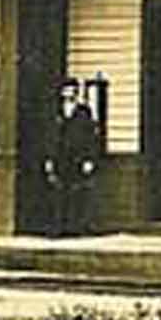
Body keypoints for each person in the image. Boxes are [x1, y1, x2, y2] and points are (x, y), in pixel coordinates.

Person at [45, 79, 101, 237]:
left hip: (78, 158)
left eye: (72, 90)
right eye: (66, 90)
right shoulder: (55, 111)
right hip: (60, 157)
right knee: (58, 192)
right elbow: (50, 137)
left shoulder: (84, 111)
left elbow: (91, 137)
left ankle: (76, 227)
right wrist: (49, 159)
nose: (69, 93)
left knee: (77, 192)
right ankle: (57, 227)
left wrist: (89, 159)